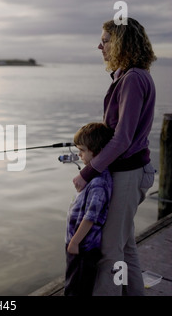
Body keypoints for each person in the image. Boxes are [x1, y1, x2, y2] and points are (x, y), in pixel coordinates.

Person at [73, 17, 157, 296]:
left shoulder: (133, 79)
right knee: (125, 246)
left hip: (129, 174)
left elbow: (122, 138)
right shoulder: (129, 76)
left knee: (110, 252)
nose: (100, 46)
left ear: (122, 42)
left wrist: (88, 172)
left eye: (106, 41)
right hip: (131, 172)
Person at [65, 123, 114, 296]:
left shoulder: (99, 183)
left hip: (83, 247)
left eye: (82, 150)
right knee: (75, 283)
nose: (79, 155)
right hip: (80, 245)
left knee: (77, 289)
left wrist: (75, 242)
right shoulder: (94, 177)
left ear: (99, 151)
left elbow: (90, 217)